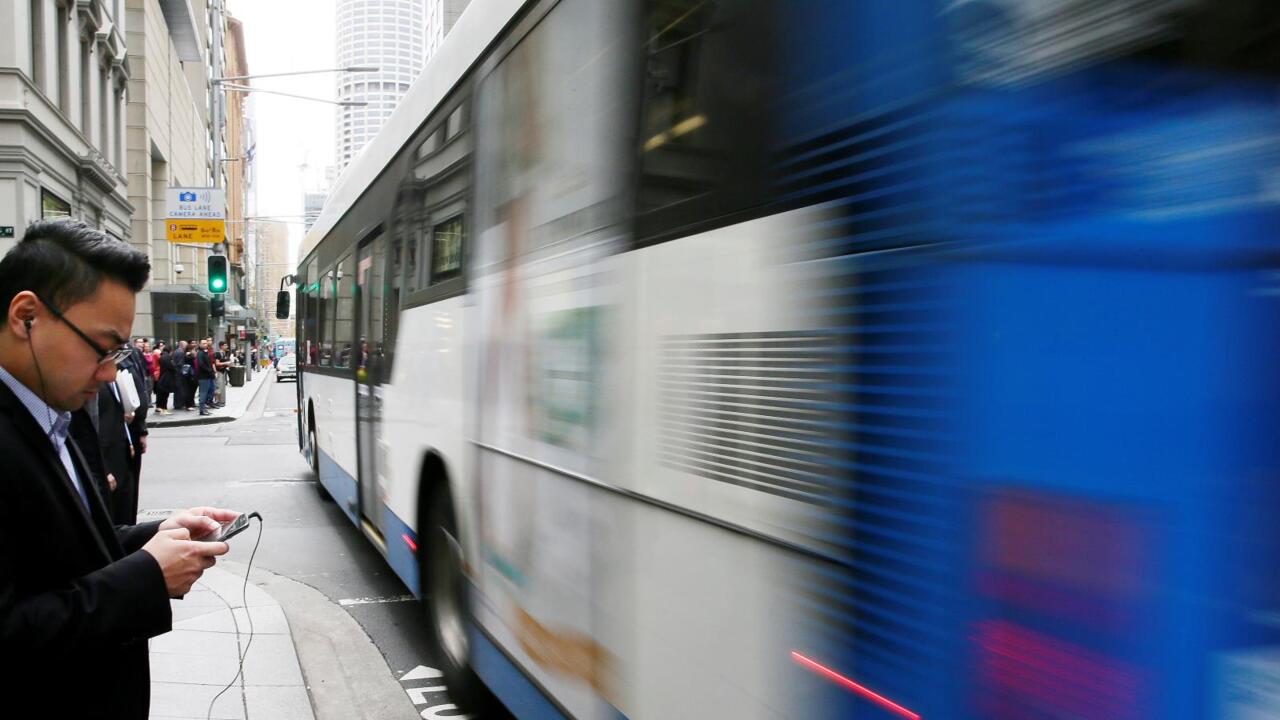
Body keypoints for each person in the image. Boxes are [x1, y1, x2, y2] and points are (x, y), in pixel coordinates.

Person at [0, 219, 235, 718]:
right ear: (25, 317)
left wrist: (154, 535)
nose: (109, 373)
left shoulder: (54, 409)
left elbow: (63, 551)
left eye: (120, 353)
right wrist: (147, 577)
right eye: (102, 348)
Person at [194, 338, 216, 416]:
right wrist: (210, 370)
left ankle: (204, 409)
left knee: (207, 392)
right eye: (203, 343)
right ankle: (202, 410)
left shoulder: (204, 352)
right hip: (203, 377)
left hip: (207, 376)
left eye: (206, 343)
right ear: (199, 344)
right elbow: (201, 364)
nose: (205, 344)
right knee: (203, 393)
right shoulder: (200, 353)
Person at [154, 345, 175, 414]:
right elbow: (171, 367)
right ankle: (164, 409)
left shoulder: (162, 356)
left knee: (162, 394)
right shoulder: (167, 357)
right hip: (167, 378)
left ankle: (161, 408)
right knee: (165, 394)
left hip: (162, 377)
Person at [213, 340, 231, 407]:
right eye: (225, 345)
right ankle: (217, 401)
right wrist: (226, 363)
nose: (227, 346)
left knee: (221, 387)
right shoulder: (218, 353)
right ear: (221, 346)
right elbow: (217, 363)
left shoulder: (225, 353)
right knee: (218, 387)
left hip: (223, 372)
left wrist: (229, 364)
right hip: (219, 372)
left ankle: (221, 402)